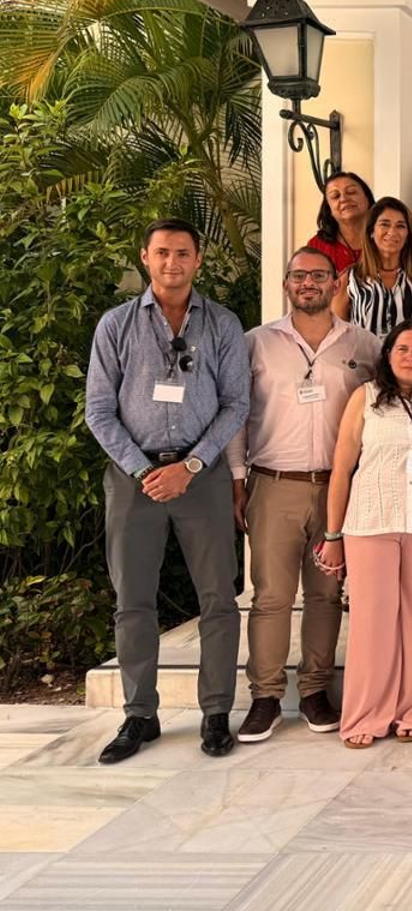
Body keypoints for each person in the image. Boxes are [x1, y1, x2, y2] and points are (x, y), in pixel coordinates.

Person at [85, 219, 250, 764]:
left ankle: (216, 713)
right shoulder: (116, 326)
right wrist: (140, 470)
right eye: (162, 253)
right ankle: (140, 715)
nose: (172, 263)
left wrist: (194, 464)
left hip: (201, 478)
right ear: (145, 258)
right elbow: (99, 411)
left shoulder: (222, 324)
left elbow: (236, 404)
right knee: (133, 600)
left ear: (198, 260)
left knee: (219, 600)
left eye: (182, 253)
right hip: (134, 479)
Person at [228, 248, 380, 744]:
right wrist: (236, 479)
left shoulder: (364, 343)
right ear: (286, 283)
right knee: (270, 596)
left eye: (318, 275)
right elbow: (237, 414)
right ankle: (266, 696)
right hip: (274, 483)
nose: (308, 283)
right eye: (299, 275)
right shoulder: (257, 343)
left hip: (339, 489)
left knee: (325, 594)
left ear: (336, 283)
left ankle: (315, 690)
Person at [320, 320, 412, 748]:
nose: (411, 356)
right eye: (402, 348)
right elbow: (342, 469)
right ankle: (365, 715)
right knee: (372, 623)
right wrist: (333, 533)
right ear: (388, 354)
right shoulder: (366, 398)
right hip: (371, 521)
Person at [333, 197, 412, 344]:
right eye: (385, 224)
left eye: (400, 226)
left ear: (408, 235)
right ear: (371, 232)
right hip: (364, 365)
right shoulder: (350, 279)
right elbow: (335, 332)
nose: (392, 232)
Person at [306, 170, 375, 273]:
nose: (343, 199)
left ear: (367, 198)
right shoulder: (317, 246)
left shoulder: (387, 237)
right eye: (335, 196)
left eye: (351, 192)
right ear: (329, 208)